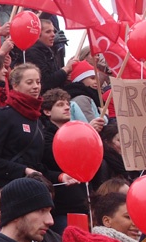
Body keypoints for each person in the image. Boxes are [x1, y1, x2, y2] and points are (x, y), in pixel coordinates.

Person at [0, 63, 77, 187]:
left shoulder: (37, 121)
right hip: (8, 189)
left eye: (38, 82)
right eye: (29, 82)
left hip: (32, 189)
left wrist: (60, 176)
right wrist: (23, 170)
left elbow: (37, 166)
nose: (36, 86)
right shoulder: (3, 116)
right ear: (15, 86)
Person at [41, 88, 103, 233]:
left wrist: (89, 136)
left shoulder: (80, 132)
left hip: (83, 202)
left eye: (68, 103)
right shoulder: (45, 136)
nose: (67, 107)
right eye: (60, 104)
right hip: (63, 206)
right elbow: (53, 159)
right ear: (47, 112)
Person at [24, 19, 77, 93]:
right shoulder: (33, 52)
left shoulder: (48, 51)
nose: (53, 35)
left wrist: (66, 76)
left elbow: (54, 77)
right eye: (48, 32)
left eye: (53, 31)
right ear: (37, 35)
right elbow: (46, 81)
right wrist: (66, 69)